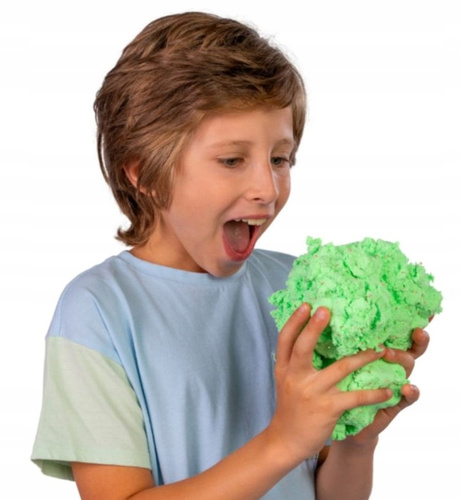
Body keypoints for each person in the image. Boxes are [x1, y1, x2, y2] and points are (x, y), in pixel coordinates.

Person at [31, 11, 430, 499]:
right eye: (232, 160)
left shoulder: (295, 288)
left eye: (280, 159)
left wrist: (356, 443)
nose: (268, 188)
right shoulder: (97, 311)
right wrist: (284, 441)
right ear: (144, 172)